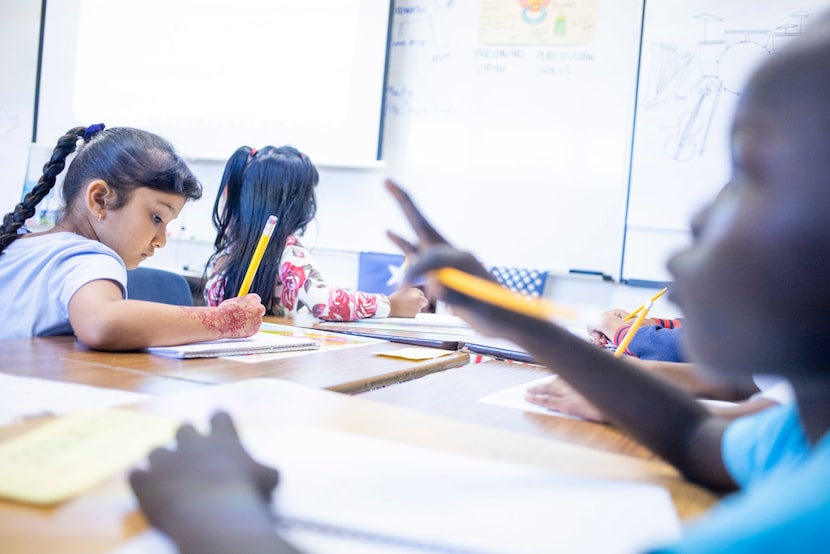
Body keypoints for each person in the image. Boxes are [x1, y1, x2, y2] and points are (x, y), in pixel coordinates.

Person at [131, 18, 830, 553]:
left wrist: (216, 513)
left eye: (752, 172)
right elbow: (696, 436)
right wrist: (512, 317)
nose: (703, 213)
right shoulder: (805, 443)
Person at [0, 125, 264, 349]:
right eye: (157, 218)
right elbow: (101, 322)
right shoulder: (90, 256)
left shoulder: (15, 242)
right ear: (100, 200)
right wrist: (223, 320)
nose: (161, 240)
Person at [203, 145, 428, 321]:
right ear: (295, 204)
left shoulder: (226, 254)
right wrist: (393, 305)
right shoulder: (287, 251)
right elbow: (324, 302)